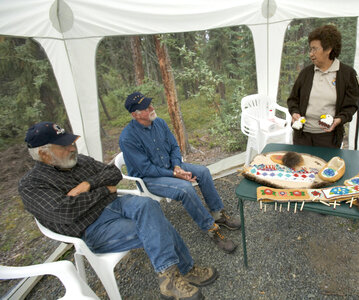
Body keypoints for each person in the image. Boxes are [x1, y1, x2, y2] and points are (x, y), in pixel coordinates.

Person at [18, 121, 217, 300]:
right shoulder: (32, 185)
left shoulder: (80, 161)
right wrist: (104, 189)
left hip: (115, 204)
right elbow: (66, 212)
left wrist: (88, 184)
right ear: (44, 153)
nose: (72, 148)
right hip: (92, 228)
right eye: (64, 145)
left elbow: (114, 172)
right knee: (156, 224)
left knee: (149, 206)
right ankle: (181, 272)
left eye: (71, 142)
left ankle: (173, 277)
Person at [119, 92, 240, 254]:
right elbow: (145, 169)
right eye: (147, 107)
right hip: (149, 178)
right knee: (185, 188)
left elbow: (174, 147)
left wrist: (177, 166)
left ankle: (218, 214)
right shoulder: (127, 138)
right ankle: (210, 228)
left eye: (150, 104)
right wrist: (175, 175)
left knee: (203, 172)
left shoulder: (159, 123)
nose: (152, 108)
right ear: (135, 114)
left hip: (171, 167)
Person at [287, 24, 359, 148]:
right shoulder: (306, 73)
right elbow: (293, 99)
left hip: (328, 138)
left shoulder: (347, 74)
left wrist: (339, 120)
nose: (311, 54)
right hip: (302, 136)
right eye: (310, 49)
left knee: (325, 167)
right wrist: (294, 112)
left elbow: (351, 106)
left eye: (315, 49)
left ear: (328, 49)